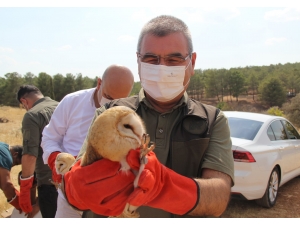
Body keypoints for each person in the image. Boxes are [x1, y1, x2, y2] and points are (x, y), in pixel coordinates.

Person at [63, 15, 235, 218]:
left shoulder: (211, 120)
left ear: (192, 62)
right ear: (138, 61)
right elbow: (78, 184)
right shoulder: (110, 114)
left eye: (174, 59)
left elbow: (218, 198)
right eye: (151, 59)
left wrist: (163, 186)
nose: (162, 68)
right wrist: (74, 189)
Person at [41, 64, 135, 218]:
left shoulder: (130, 114)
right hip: (69, 189)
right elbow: (50, 137)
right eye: (109, 97)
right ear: (99, 83)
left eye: (120, 100)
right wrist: (55, 161)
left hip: (106, 195)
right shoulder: (72, 102)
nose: (112, 104)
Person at [17, 85, 59, 218]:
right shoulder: (63, 106)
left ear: (24, 101)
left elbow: (30, 154)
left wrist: (25, 189)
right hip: (74, 179)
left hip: (49, 183)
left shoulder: (32, 115)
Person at [0, 142, 38, 218]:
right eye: (15, 163)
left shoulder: (2, 147)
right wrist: (20, 204)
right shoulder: (6, 156)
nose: (12, 166)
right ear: (15, 154)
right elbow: (6, 185)